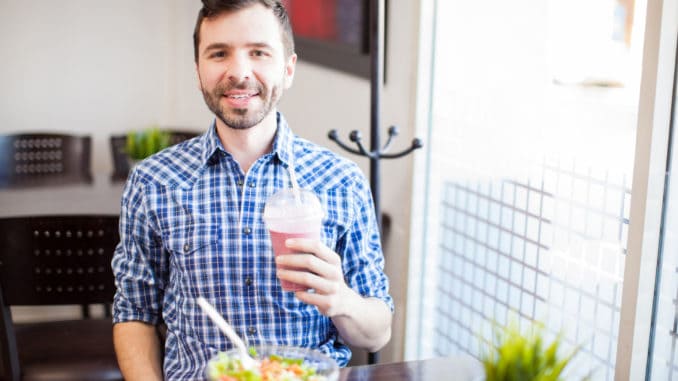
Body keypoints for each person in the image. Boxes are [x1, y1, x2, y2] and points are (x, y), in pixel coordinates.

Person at [111, 0, 393, 379]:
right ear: (198, 70)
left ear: (288, 68)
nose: (239, 72)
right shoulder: (153, 181)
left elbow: (377, 333)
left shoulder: (341, 180)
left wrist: (341, 299)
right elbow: (134, 313)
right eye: (219, 53)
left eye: (259, 52)